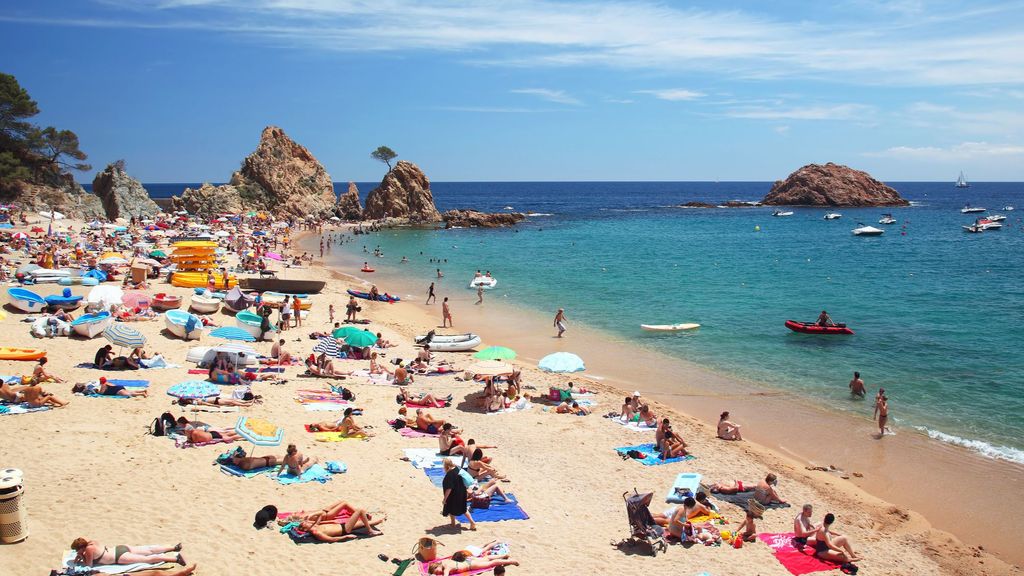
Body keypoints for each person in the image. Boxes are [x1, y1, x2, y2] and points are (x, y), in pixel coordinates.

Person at [70, 538, 184, 567]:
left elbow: (88, 565)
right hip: (120, 548)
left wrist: (81, 556)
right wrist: (81, 554)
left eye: (77, 550)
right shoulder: (92, 543)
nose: (76, 552)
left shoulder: (88, 550)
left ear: (81, 548)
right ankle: (174, 547)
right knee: (149, 550)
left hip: (119, 557)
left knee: (147, 560)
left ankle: (176, 559)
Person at [441, 458, 475, 531]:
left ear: (446, 466)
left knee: (450, 507)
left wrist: (445, 499)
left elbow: (449, 489)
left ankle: (454, 523)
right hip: (462, 492)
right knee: (463, 508)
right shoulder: (457, 469)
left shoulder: (450, 475)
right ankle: (471, 523)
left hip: (454, 495)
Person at [427, 548, 518, 575]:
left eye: (437, 572)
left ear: (436, 566)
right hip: (468, 560)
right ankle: (504, 555)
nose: (439, 573)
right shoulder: (444, 562)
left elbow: (446, 574)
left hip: (470, 564)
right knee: (486, 558)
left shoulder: (446, 567)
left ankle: (511, 561)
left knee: (491, 563)